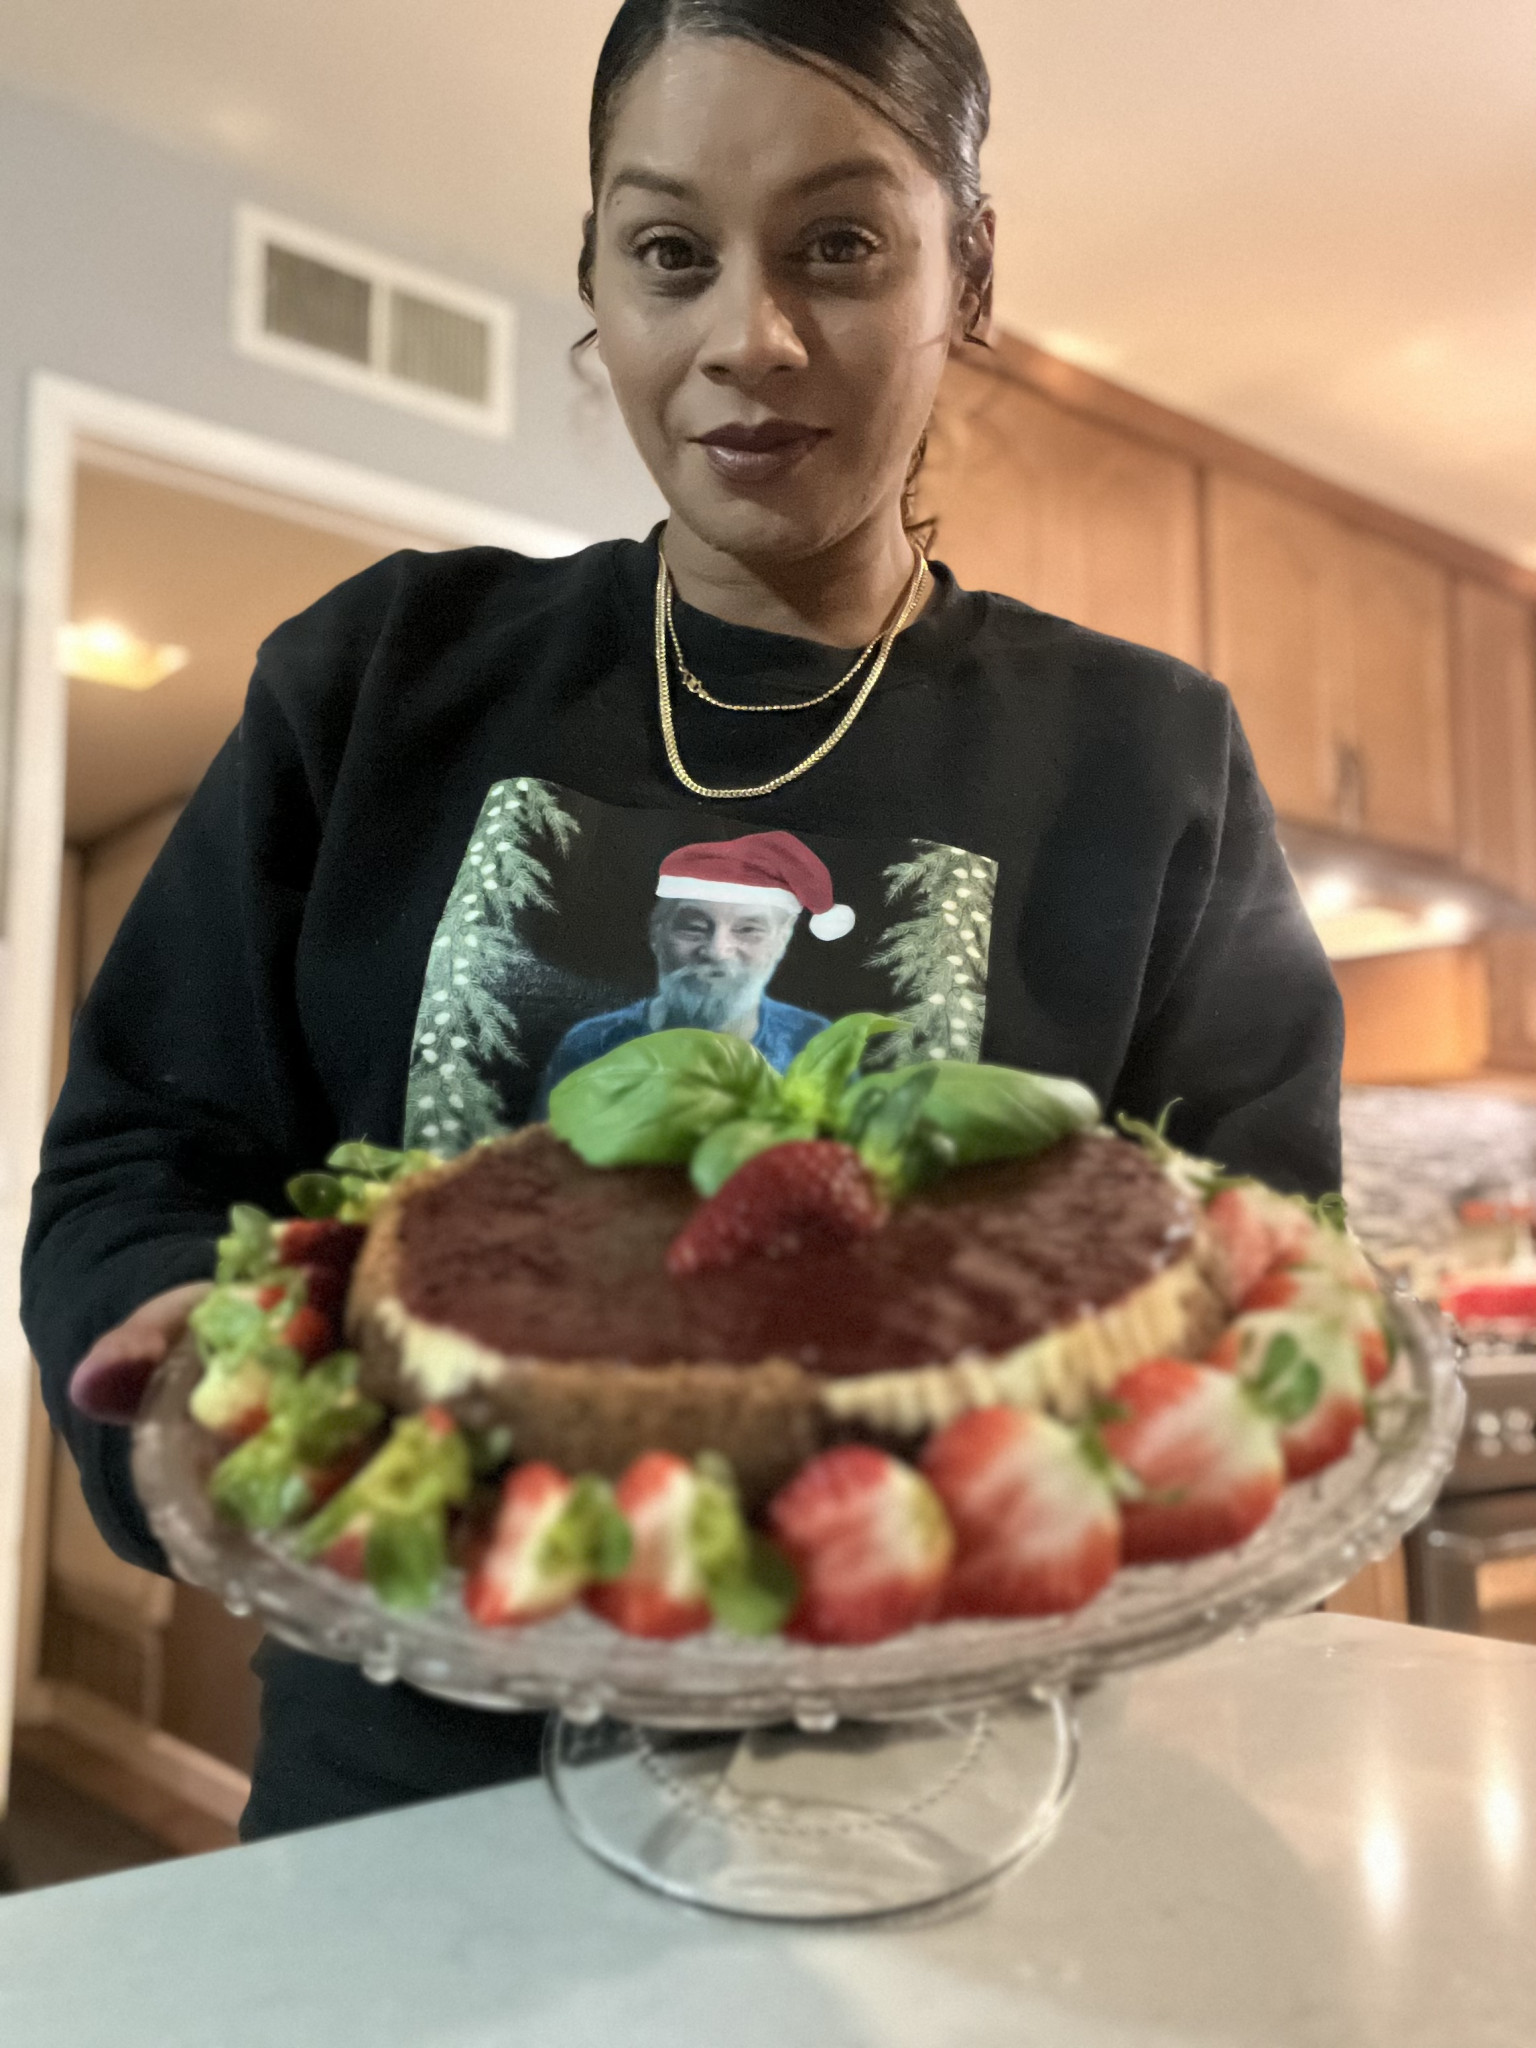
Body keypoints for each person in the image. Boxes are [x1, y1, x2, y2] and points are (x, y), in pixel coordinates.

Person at [24, 0, 1343, 1841]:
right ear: (597, 277)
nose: (749, 336)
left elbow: (1267, 1274)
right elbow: (135, 1161)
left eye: (840, 245)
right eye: (670, 253)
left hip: (941, 1809)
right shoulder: (382, 676)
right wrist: (197, 1367)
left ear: (965, 274)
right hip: (407, 1818)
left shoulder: (1146, 754)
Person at [531, 831, 848, 1111]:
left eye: (748, 929)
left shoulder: (813, 1045)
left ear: (781, 940)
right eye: (694, 927)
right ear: (657, 934)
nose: (717, 951)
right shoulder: (593, 1044)